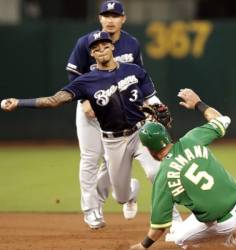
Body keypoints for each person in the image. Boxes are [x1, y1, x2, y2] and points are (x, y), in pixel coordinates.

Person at [1, 31, 179, 232]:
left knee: (156, 172)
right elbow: (54, 100)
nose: (101, 50)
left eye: (105, 45)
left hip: (141, 133)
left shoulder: (134, 71)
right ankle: (131, 191)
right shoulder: (85, 82)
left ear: (112, 47)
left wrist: (160, 107)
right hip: (113, 142)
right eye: (96, 48)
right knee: (120, 197)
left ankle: (175, 223)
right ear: (91, 54)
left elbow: (152, 99)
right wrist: (19, 103)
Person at [130, 88, 236, 249]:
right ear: (167, 136)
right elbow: (221, 119)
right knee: (223, 199)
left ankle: (234, 236)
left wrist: (143, 246)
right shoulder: (192, 138)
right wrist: (198, 103)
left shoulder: (163, 176)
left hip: (224, 224)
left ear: (150, 150)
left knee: (177, 238)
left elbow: (158, 227)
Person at [65, 0, 145, 229]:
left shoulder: (132, 44)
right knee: (90, 159)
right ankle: (91, 211)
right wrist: (83, 100)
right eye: (106, 15)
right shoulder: (86, 43)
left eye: (115, 15)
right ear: (100, 18)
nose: (110, 20)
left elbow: (139, 76)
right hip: (90, 108)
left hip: (121, 111)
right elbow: (73, 73)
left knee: (113, 161)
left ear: (123, 19)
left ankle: (128, 192)